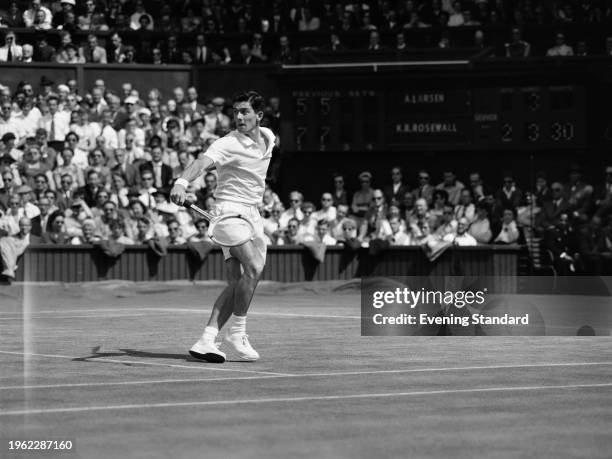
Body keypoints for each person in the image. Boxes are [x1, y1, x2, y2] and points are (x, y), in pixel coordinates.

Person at [170, 91, 274, 364]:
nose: (239, 117)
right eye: (236, 112)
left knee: (239, 282)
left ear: (259, 116)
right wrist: (182, 182)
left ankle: (207, 339)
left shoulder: (270, 138)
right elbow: (201, 163)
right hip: (228, 215)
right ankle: (238, 333)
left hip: (253, 216)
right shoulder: (227, 142)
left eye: (245, 112)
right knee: (254, 268)